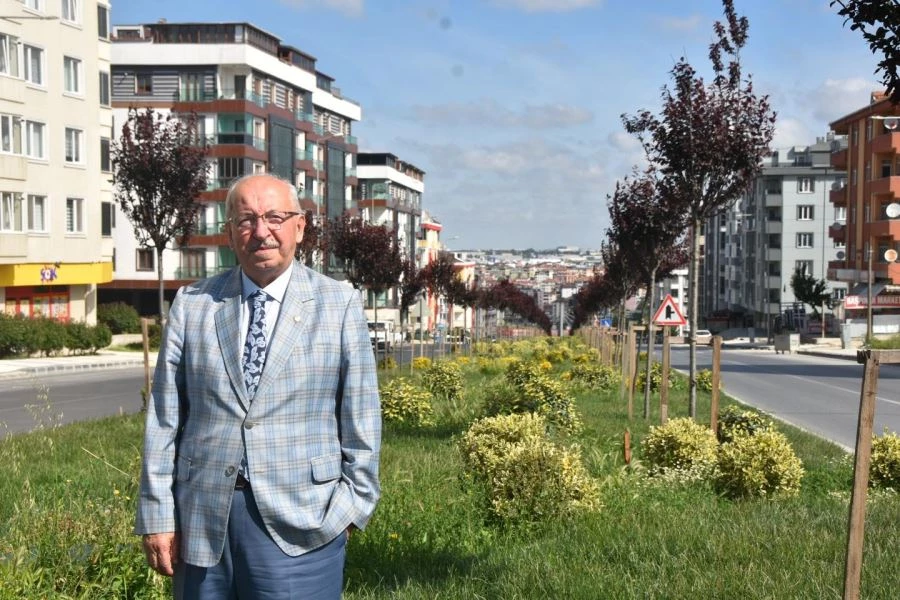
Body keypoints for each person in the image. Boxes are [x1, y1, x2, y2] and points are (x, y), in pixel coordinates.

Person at [136, 173, 381, 599]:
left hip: (304, 523)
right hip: (201, 523)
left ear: (300, 227)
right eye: (246, 220)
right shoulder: (193, 305)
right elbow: (163, 419)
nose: (261, 231)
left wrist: (352, 507)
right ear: (230, 232)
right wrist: (157, 514)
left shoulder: (338, 304)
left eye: (274, 217)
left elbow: (361, 416)